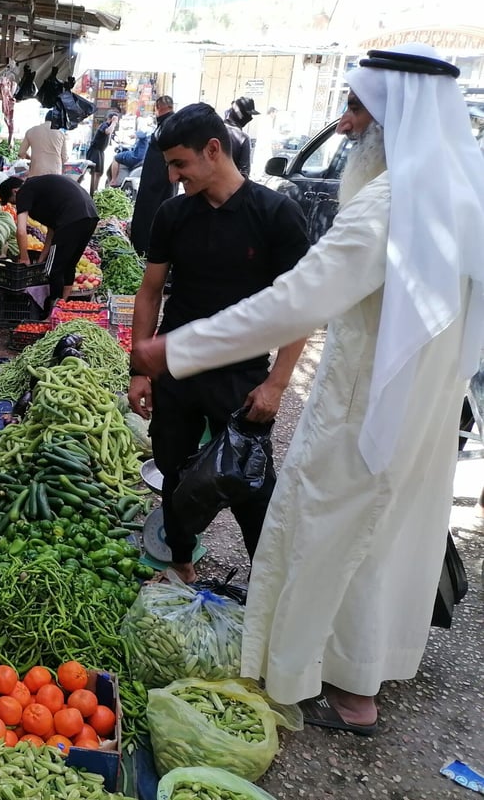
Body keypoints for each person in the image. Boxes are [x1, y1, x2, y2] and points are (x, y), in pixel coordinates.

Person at [130, 43, 484, 734]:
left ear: (390, 115)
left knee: (330, 533)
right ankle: (361, 678)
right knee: (383, 537)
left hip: (366, 402)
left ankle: (335, 689)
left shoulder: (389, 202)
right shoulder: (459, 187)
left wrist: (180, 347)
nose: (346, 124)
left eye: (356, 108)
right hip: (426, 404)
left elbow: (298, 299)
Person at [128, 102, 309, 582]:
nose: (172, 174)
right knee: (174, 470)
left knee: (251, 483)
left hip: (241, 375)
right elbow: (148, 293)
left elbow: (301, 308)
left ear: (213, 150)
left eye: (179, 163)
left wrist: (276, 384)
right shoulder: (173, 215)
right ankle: (180, 564)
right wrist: (141, 369)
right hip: (177, 370)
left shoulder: (275, 215)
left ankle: (269, 584)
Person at [0, 174, 98, 313]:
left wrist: (24, 257)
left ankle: (52, 314)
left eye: (14, 202)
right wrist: (41, 258)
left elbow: (20, 231)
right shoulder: (40, 190)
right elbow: (51, 231)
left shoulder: (24, 190)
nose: (17, 206)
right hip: (90, 216)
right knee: (68, 265)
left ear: (15, 191)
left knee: (53, 270)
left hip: (72, 218)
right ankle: (62, 309)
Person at [129, 95, 175, 256]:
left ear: (159, 108)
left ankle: (145, 248)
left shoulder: (168, 125)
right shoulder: (169, 123)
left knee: (151, 214)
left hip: (156, 182)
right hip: (158, 180)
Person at [18, 109, 69, 178]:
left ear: (45, 118)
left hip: (36, 172)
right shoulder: (60, 134)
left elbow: (21, 153)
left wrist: (31, 158)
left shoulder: (31, 131)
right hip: (55, 173)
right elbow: (64, 158)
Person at [223, 96, 259, 177]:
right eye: (248, 115)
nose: (250, 118)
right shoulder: (243, 138)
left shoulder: (212, 129)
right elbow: (244, 173)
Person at [86, 112, 120, 194]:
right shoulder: (104, 125)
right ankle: (92, 192)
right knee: (95, 172)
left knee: (99, 173)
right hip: (95, 151)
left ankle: (95, 191)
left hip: (100, 151)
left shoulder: (109, 126)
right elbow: (107, 132)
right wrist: (114, 122)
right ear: (111, 119)